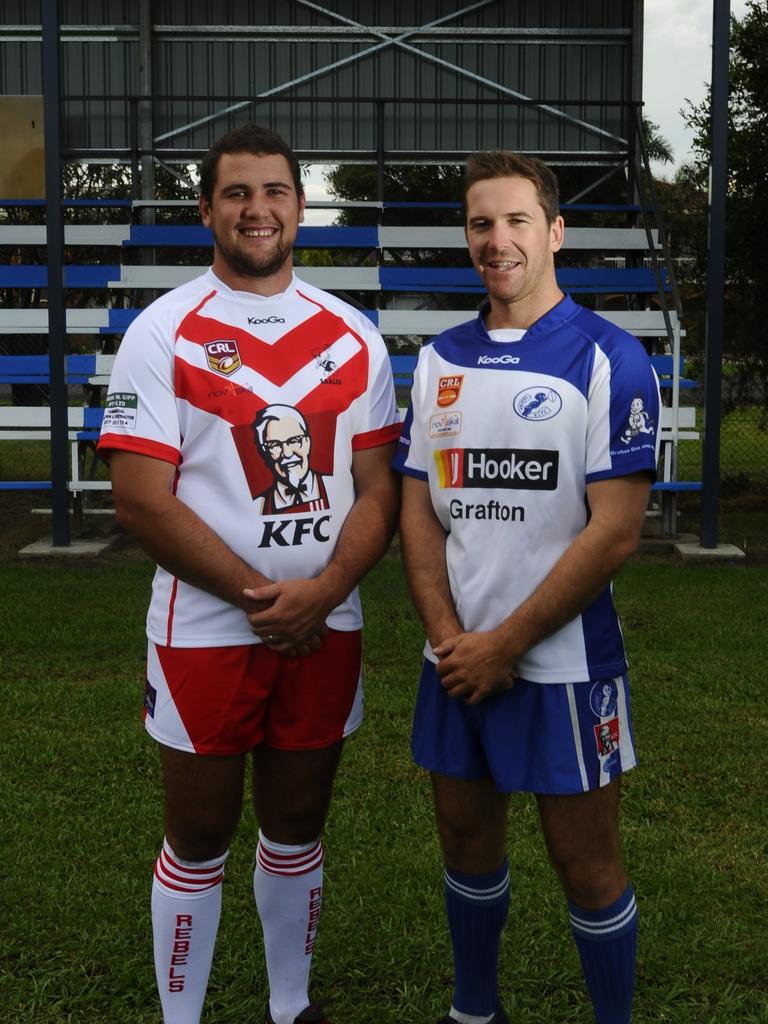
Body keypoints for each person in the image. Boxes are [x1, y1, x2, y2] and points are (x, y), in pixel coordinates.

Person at [97, 123, 401, 1024]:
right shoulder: (163, 332)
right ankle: (180, 1017)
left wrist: (325, 591)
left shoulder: (354, 338)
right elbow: (142, 501)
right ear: (206, 210)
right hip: (204, 631)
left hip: (326, 625)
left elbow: (380, 487)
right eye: (237, 193)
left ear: (300, 207)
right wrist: (263, 598)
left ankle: (289, 1005)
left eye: (274, 191)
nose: (257, 209)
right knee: (197, 836)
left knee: (298, 825)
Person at [393, 151, 661, 1024]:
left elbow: (614, 531)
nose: (496, 240)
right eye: (480, 223)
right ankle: (475, 1013)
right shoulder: (438, 360)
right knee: (466, 843)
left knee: (586, 863)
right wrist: (449, 639)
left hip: (565, 667)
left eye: (515, 221)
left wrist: (504, 645)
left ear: (554, 231)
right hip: (456, 658)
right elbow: (420, 512)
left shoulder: (612, 360)